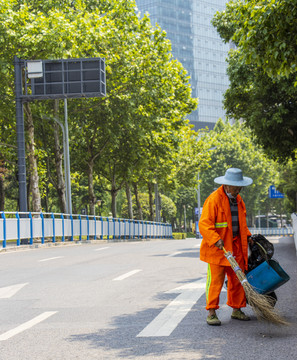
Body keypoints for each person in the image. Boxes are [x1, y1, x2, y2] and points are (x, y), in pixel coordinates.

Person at [199, 168, 254, 326]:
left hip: (234, 246)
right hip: (218, 249)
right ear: (226, 185)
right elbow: (204, 224)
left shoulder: (238, 200)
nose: (238, 190)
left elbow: (241, 223)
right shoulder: (214, 199)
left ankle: (236, 309)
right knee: (215, 281)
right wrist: (215, 239)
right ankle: (211, 312)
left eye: (239, 187)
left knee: (237, 279)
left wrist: (248, 236)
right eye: (235, 187)